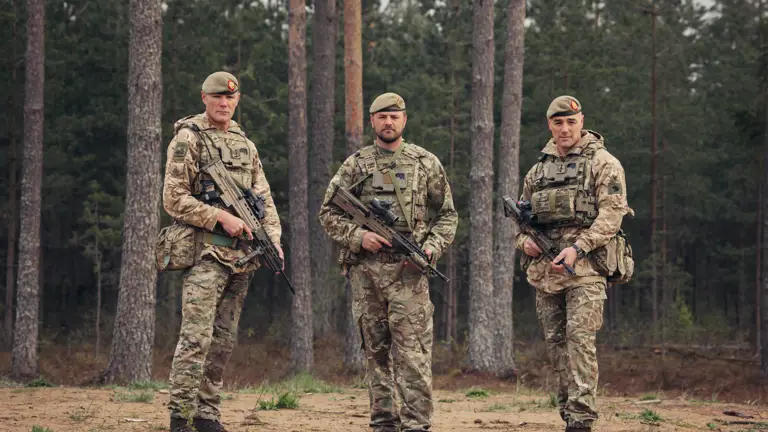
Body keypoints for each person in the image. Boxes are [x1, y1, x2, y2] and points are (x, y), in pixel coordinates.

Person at [318, 93, 458, 432]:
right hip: (367, 273)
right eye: (382, 116)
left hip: (409, 273)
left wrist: (430, 249)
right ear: (372, 121)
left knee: (413, 354)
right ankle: (383, 420)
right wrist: (358, 237)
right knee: (375, 352)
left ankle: (416, 423)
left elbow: (448, 216)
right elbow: (328, 212)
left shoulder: (425, 163)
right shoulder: (356, 165)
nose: (388, 122)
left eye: (394, 116)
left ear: (405, 120)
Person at [162, 71, 283, 432]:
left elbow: (263, 198)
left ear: (237, 100)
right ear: (204, 98)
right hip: (205, 254)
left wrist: (273, 239)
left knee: (223, 341)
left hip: (241, 259)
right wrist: (219, 218)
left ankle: (207, 414)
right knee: (196, 337)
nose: (223, 103)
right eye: (217, 97)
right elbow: (174, 198)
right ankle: (181, 416)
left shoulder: (245, 144)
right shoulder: (189, 138)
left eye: (229, 98)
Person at [515, 95, 633, 432]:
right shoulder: (537, 171)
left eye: (571, 122)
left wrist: (578, 248)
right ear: (549, 125)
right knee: (556, 346)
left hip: (586, 271)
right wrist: (524, 243)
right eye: (558, 122)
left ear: (581, 122)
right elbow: (521, 223)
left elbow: (613, 215)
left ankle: (581, 420)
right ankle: (568, 412)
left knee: (579, 341)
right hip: (545, 275)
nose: (564, 129)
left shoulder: (603, 163)